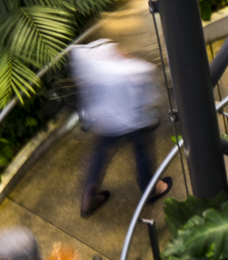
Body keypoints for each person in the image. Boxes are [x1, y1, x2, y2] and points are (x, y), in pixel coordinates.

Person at [69, 35, 171, 218]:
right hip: (132, 120)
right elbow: (152, 97)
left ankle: (88, 196)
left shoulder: (87, 56)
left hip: (104, 121)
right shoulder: (135, 69)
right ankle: (151, 189)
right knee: (142, 150)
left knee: (99, 153)